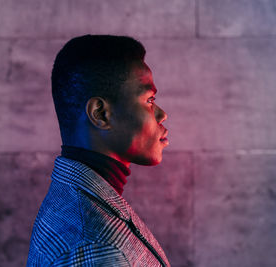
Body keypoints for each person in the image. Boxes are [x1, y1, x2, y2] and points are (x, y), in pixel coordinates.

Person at [26, 35, 170, 266]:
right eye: (149, 100)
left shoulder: (81, 203)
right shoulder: (95, 246)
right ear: (100, 114)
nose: (162, 115)